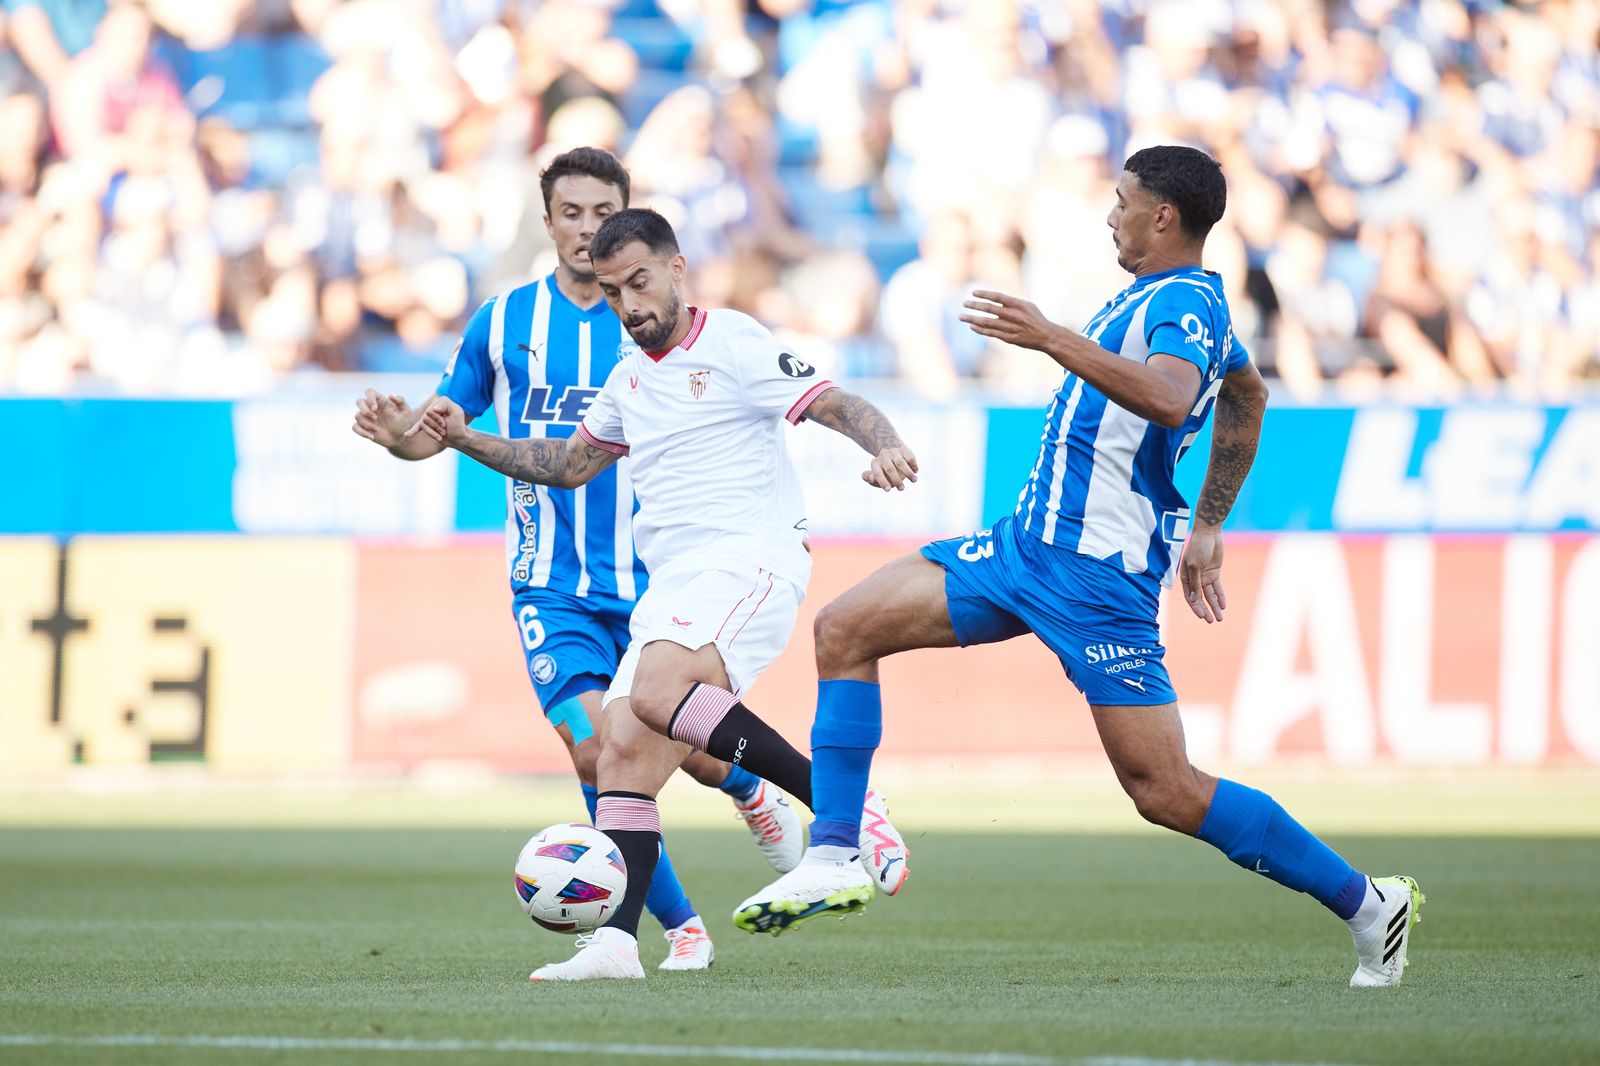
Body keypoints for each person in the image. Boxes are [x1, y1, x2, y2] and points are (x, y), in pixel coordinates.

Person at [694, 146, 1427, 989]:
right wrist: (1210, 523)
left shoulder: (1185, 300)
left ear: (1163, 217)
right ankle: (832, 853)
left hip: (1096, 579)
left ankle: (1370, 905)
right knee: (845, 628)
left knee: (1168, 792)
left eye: (1122, 203)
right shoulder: (1166, 297)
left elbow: (1170, 396)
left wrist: (1048, 336)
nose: (1109, 215)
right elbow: (1248, 394)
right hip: (1022, 548)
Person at [409, 205, 914, 982]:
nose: (629, 304)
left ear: (677, 269)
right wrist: (462, 437)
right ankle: (617, 943)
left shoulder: (734, 341)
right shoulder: (626, 378)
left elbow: (834, 402)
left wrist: (885, 446)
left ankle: (845, 806)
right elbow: (569, 463)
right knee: (620, 751)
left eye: (639, 282)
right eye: (612, 292)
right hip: (677, 581)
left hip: (751, 558)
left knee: (655, 692)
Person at [352, 148, 803, 975]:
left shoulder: (654, 320)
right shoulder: (504, 321)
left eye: (603, 212)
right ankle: (674, 928)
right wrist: (401, 440)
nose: (587, 228)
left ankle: (747, 787)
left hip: (656, 581)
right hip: (550, 583)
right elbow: (443, 424)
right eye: (572, 212)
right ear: (549, 219)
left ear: (627, 218)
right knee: (596, 751)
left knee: (689, 750)